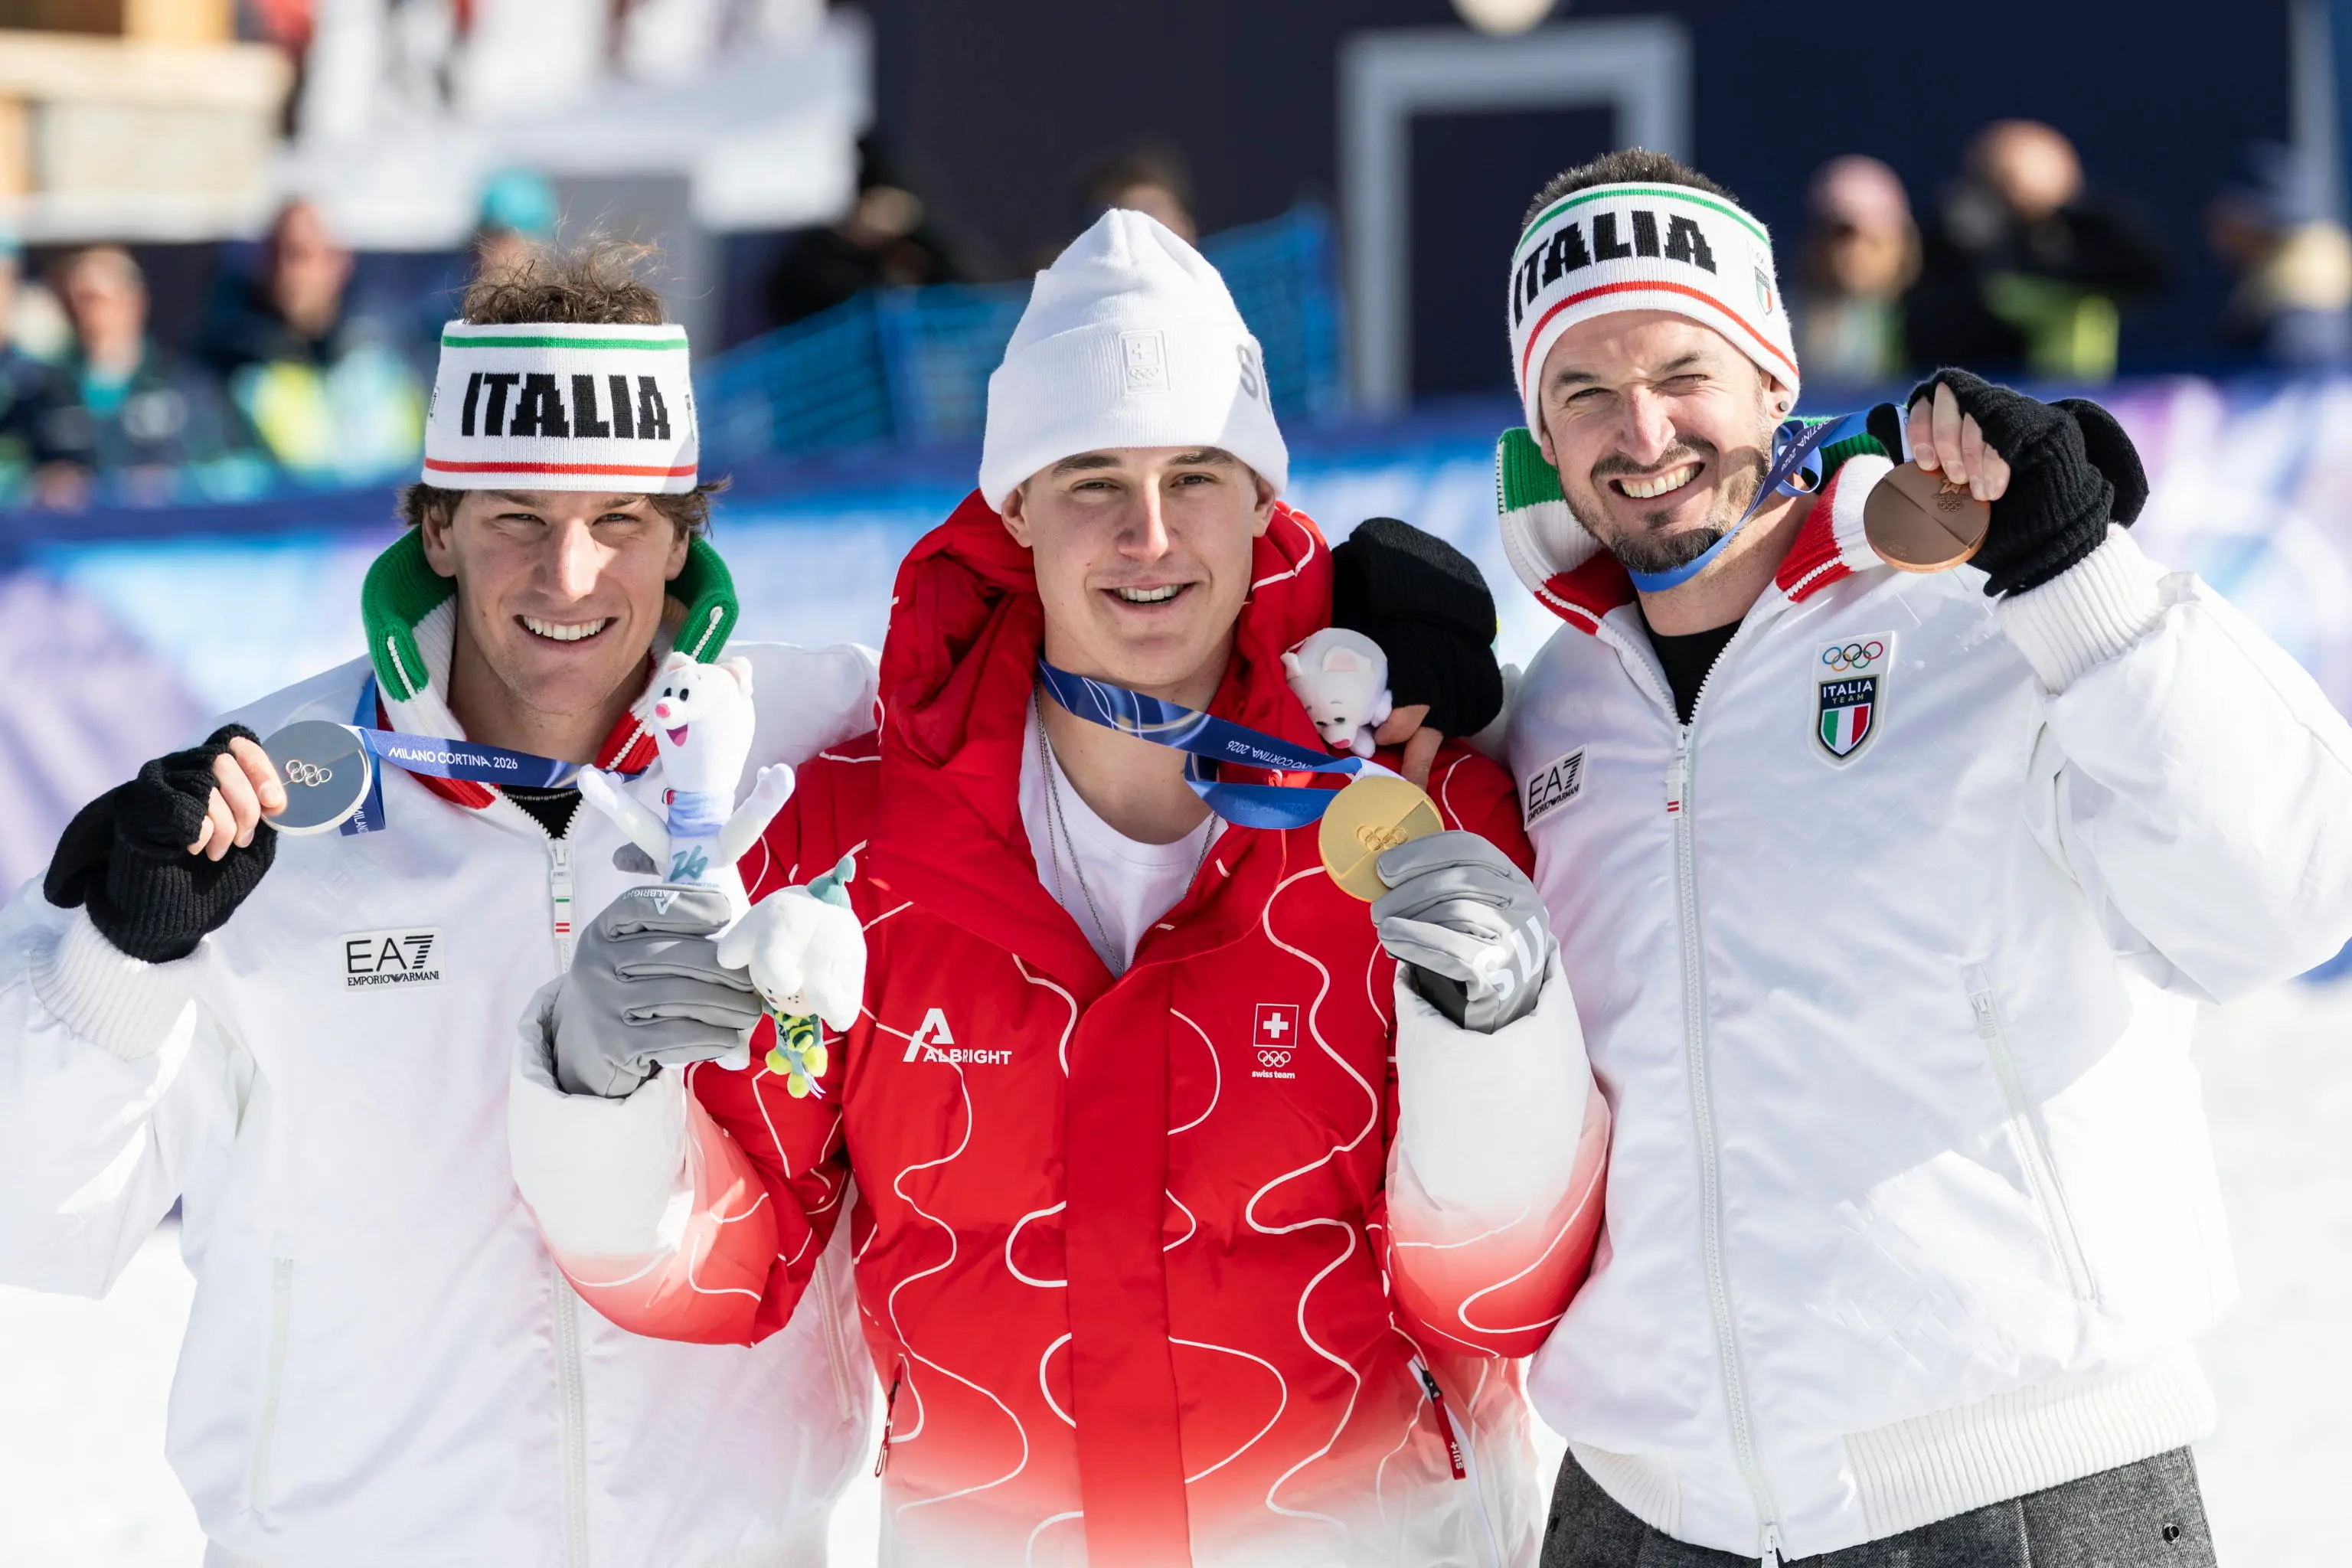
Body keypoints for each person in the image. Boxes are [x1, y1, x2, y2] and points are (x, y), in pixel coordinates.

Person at [512, 209, 1611, 1566]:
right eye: (1091, 477)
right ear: (1014, 503)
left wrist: (1501, 1038)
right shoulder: (853, 845)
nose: (1148, 535)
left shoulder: (1405, 812)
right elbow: (719, 1275)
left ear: (1263, 499)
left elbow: (1497, 1296)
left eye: (1195, 476)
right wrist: (597, 1078)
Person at [1488, 147, 2352, 1566]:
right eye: (1582, 388)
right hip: (1639, 1510)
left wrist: (2082, 578)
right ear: (1542, 425)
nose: (1640, 427)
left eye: (1681, 369)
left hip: (2012, 1495)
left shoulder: (1984, 616)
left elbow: (2283, 900)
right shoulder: (1553, 715)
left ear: (1775, 373)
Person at [0, 240, 880, 1564]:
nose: (569, 575)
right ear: (436, 525)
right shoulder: (261, 790)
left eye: (621, 523)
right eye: (516, 517)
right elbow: (39, 1213)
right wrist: (119, 958)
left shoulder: (822, 746)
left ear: (684, 532)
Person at [1906, 120, 2167, 382]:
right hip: (1980, 390)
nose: (2016, 192)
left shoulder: (2094, 236)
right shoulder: (1955, 242)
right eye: (1999, 179)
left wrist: (2056, 215)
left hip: (2073, 398)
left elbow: (2147, 269)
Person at [197, 198, 427, 481]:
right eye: (275, 256)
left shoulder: (387, 359)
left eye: (300, 255)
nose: (288, 274)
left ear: (339, 262)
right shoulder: (228, 365)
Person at [24, 245, 250, 508]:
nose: (83, 313)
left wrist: (176, 482)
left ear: (133, 301)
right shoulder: (43, 394)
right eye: (69, 301)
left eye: (93, 299)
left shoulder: (187, 386)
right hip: (78, 541)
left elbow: (242, 470)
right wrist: (41, 483)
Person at [766, 136, 976, 326]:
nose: (890, 217)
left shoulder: (918, 250)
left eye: (899, 211)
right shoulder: (816, 252)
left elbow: (965, 287)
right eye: (884, 207)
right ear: (865, 203)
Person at [2207, 141, 2352, 369]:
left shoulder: (2307, 283)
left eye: (2226, 217)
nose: (2216, 229)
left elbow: (2311, 384)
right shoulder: (2271, 276)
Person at [1792, 155, 1917, 388]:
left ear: (1903, 245)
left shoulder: (1937, 328)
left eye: (1873, 239)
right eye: (1839, 235)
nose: (1854, 253)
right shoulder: (1777, 328)